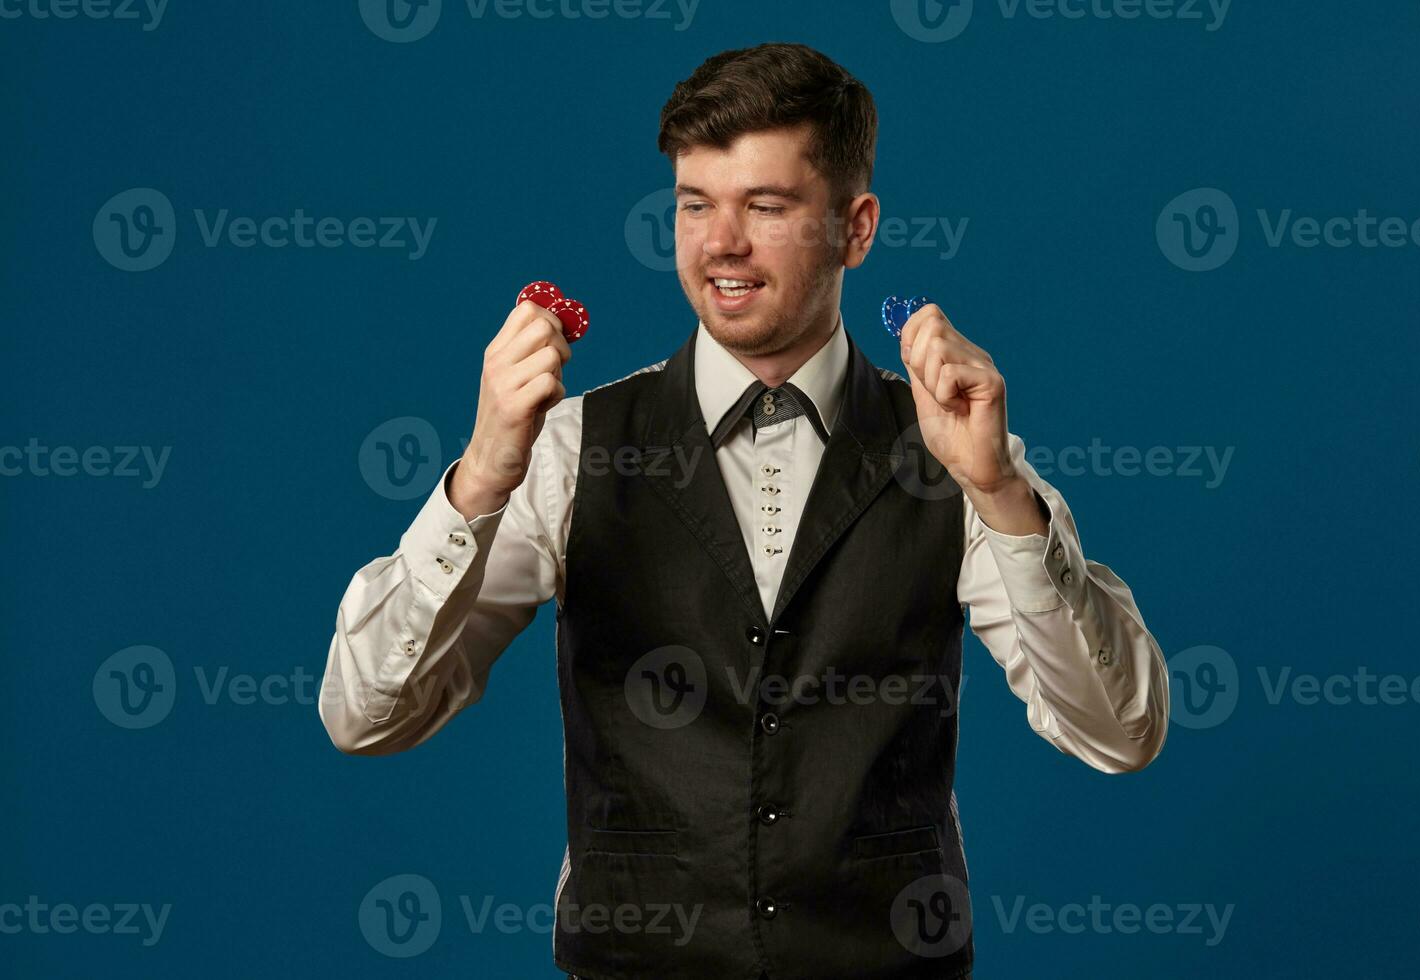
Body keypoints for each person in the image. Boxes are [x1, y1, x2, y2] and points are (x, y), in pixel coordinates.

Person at [320, 41, 1169, 980]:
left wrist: (1003, 497)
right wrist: (478, 478)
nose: (720, 242)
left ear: (856, 228)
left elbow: (1120, 733)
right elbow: (365, 716)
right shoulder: (566, 447)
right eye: (694, 205)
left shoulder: (954, 450)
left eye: (765, 207)